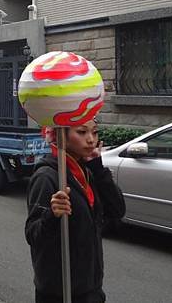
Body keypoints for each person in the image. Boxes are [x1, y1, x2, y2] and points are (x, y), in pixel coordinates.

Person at [25, 120, 125, 303]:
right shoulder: (46, 177)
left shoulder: (89, 172)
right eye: (81, 132)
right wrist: (51, 216)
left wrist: (98, 168)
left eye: (94, 133)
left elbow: (117, 210)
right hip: (60, 291)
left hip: (90, 285)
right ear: (61, 136)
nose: (90, 140)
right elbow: (33, 235)